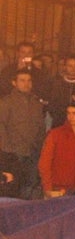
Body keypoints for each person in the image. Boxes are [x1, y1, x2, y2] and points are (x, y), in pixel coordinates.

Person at [0, 68, 46, 199]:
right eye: (22, 80)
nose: (26, 84)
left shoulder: (37, 103)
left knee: (31, 183)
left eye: (29, 80)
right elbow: (1, 126)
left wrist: (40, 144)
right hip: (14, 153)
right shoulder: (6, 102)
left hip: (33, 151)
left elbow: (41, 126)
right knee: (15, 185)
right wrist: (7, 149)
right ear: (14, 82)